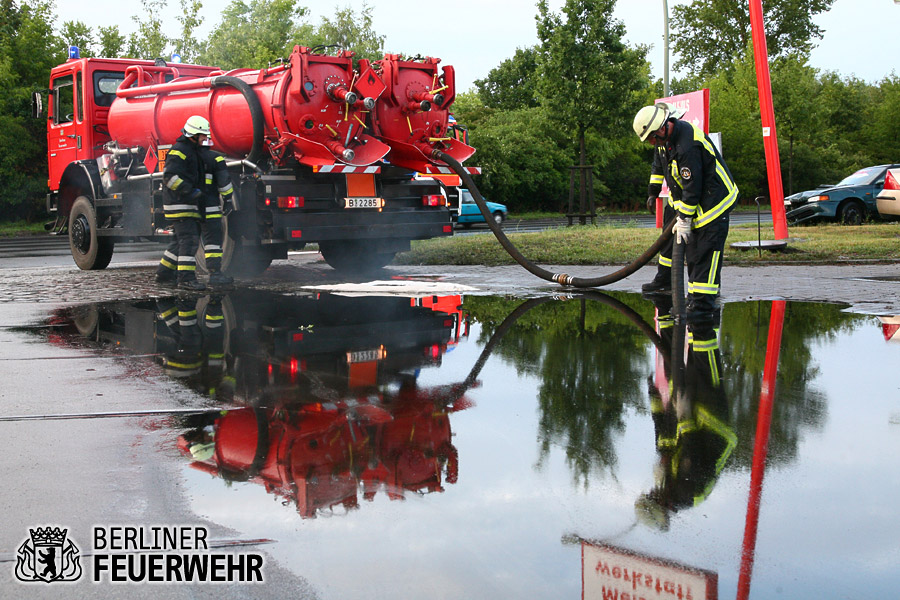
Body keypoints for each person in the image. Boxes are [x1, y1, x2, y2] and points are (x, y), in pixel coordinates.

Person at [633, 102, 739, 319]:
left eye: (652, 139)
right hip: (697, 201)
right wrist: (653, 192)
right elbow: (660, 166)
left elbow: (693, 185)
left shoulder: (686, 145)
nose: (652, 144)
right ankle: (696, 299)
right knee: (693, 252)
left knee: (705, 251)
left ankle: (703, 305)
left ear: (661, 128)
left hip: (714, 203)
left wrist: (684, 219)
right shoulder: (665, 140)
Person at [155, 115, 210, 291]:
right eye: (203, 136)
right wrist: (189, 190)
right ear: (193, 135)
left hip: (185, 204)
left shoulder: (191, 151)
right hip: (180, 204)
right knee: (189, 240)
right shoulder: (180, 151)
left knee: (178, 241)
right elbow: (169, 178)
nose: (205, 139)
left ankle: (163, 273)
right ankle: (186, 279)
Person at [641, 103, 686, 295]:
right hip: (675, 202)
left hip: (692, 204)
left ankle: (704, 292)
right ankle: (664, 279)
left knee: (695, 248)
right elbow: (657, 168)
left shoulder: (682, 142)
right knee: (666, 242)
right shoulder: (660, 144)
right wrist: (653, 192)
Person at [199, 148, 235, 286]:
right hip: (210, 207)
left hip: (192, 206)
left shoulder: (187, 156)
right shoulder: (216, 158)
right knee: (212, 241)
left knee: (186, 242)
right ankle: (214, 273)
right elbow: (225, 184)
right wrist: (228, 200)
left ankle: (180, 276)